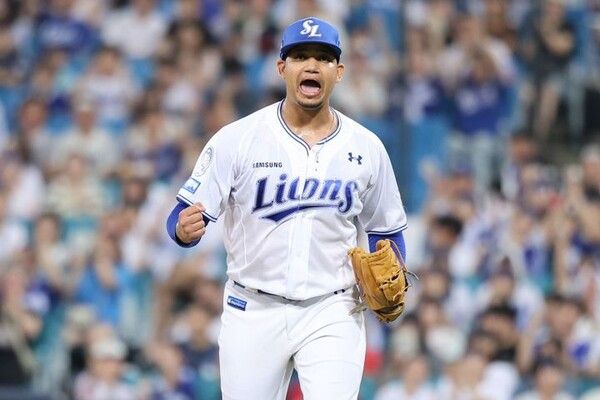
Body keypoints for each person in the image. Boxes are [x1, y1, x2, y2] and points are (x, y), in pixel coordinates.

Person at [166, 17, 408, 400]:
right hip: (252, 307)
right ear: (282, 68)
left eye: (324, 58)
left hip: (333, 308)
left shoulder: (366, 147)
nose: (312, 65)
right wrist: (182, 230)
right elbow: (180, 216)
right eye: (300, 56)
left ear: (339, 72)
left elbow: (387, 230)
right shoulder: (237, 139)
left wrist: (395, 270)